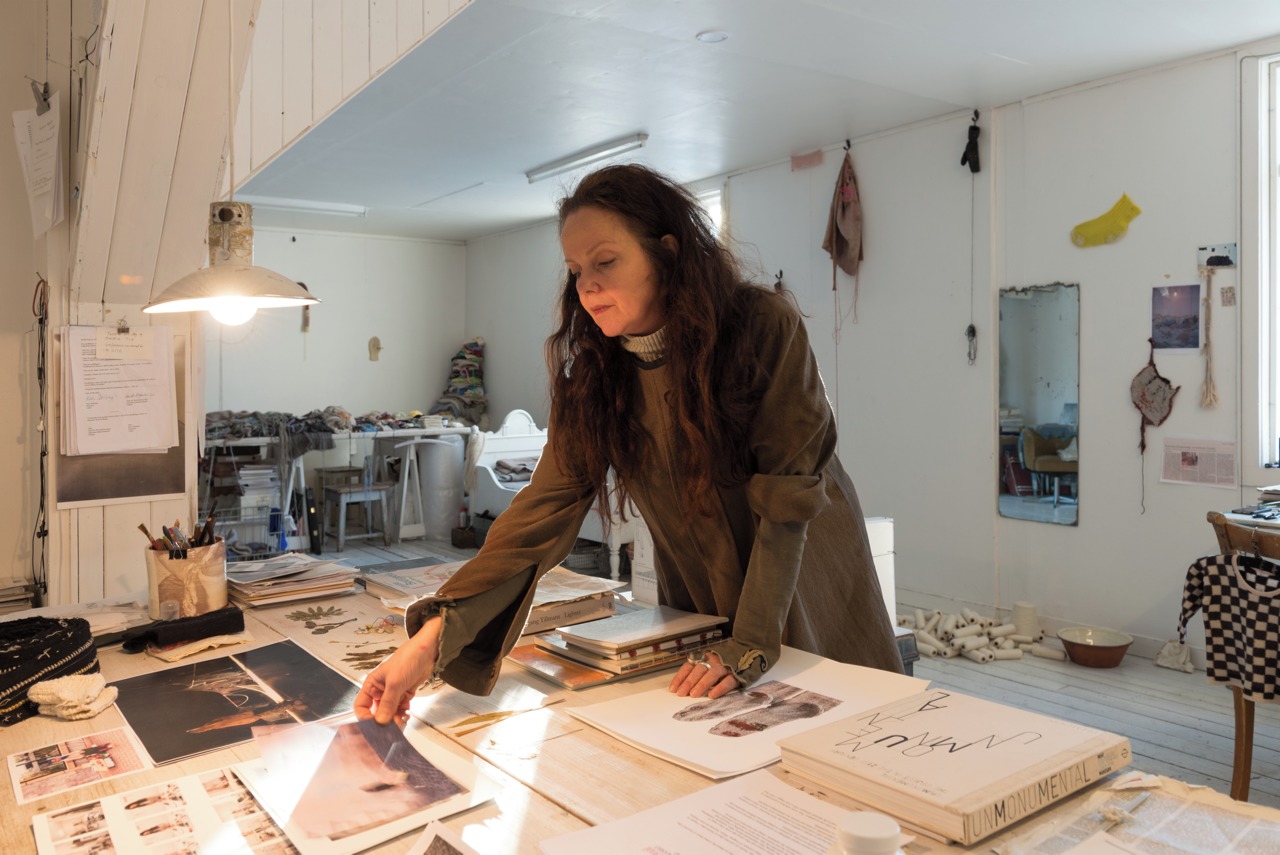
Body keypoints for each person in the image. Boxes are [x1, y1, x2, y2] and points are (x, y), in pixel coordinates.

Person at [354, 164, 901, 726]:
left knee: (838, 728)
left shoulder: (761, 327)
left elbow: (786, 503)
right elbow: (538, 516)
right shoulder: (593, 379)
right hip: (701, 581)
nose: (587, 286)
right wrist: (428, 644)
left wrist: (753, 643)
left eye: (606, 262)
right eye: (575, 270)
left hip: (801, 571)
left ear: (666, 253)